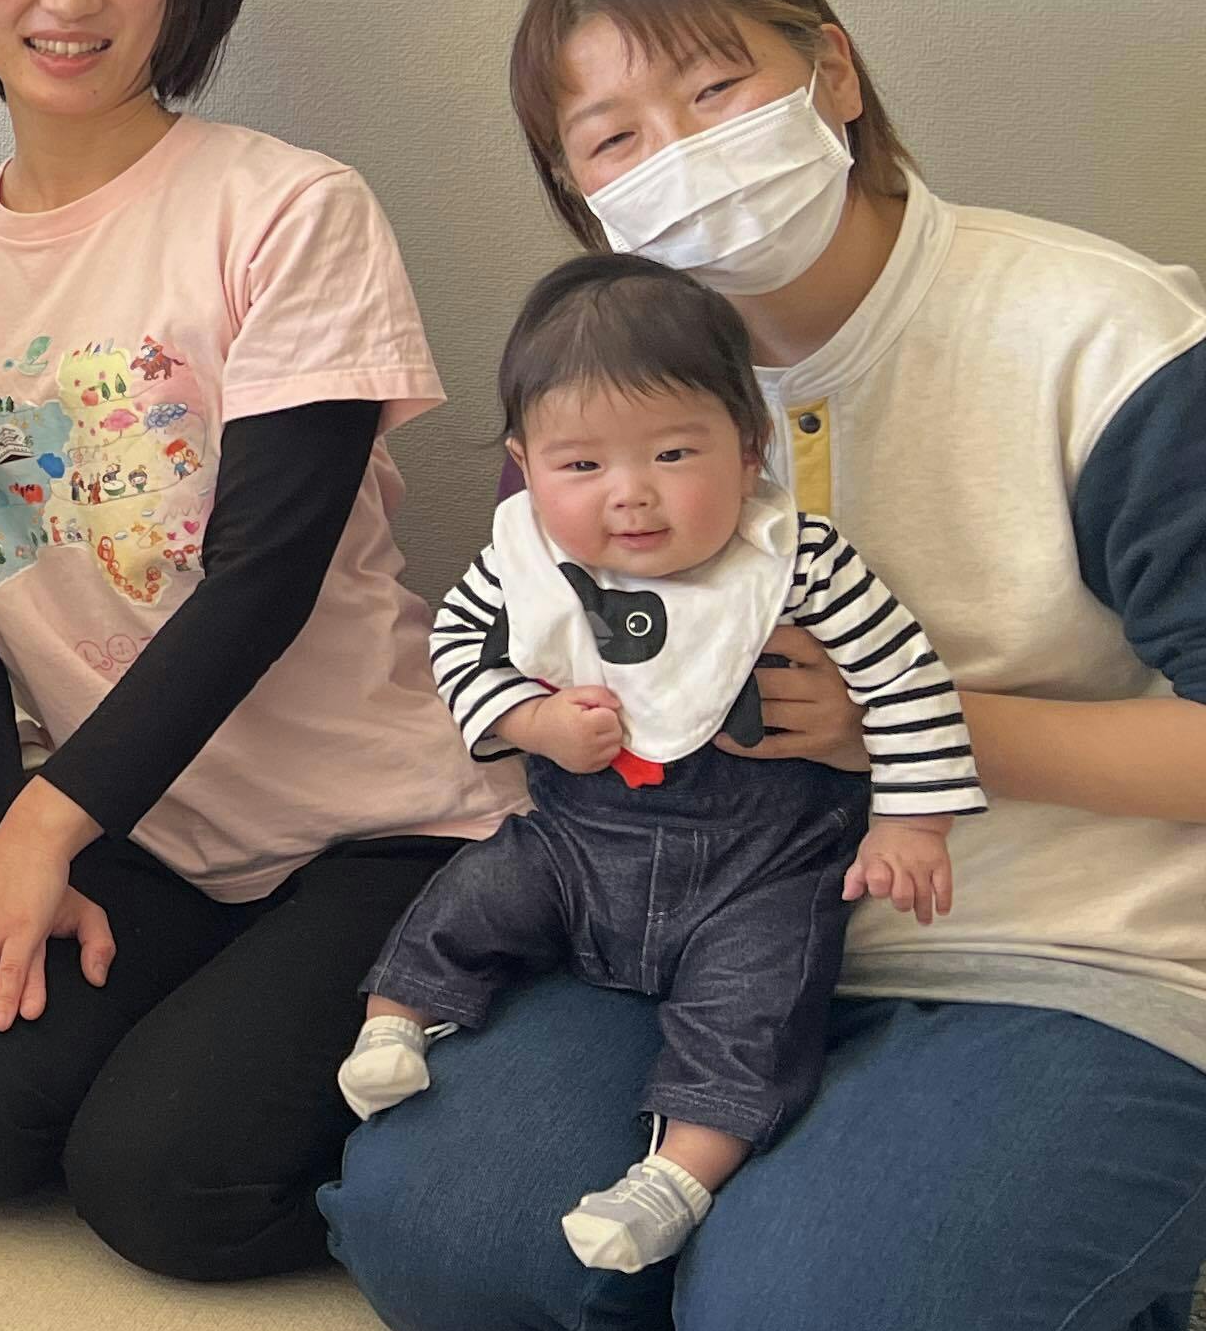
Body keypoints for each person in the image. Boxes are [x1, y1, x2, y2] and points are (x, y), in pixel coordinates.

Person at [328, 0, 1206, 1331]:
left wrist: (907, 729)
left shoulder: (1103, 336)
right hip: (686, 919)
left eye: (716, 90)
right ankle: (802, 1208)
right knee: (439, 1249)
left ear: (834, 76)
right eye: (615, 139)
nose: (682, 157)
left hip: (1064, 946)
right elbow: (505, 636)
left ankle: (904, 1246)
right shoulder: (618, 387)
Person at [0, 0, 513, 1282]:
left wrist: (41, 833)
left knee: (165, 1188)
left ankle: (496, 1024)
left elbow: (263, 576)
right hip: (135, 830)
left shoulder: (291, 210)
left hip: (382, 829)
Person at [342, 254, 975, 1272]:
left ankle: (679, 1175)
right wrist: (534, 721)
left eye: (674, 453)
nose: (631, 496)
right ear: (527, 465)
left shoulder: (797, 562)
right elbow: (455, 650)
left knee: (758, 1005)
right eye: (581, 466)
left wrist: (912, 821)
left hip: (757, 873)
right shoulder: (525, 564)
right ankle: (394, 1024)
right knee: (479, 887)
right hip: (582, 846)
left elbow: (907, 680)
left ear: (750, 447)